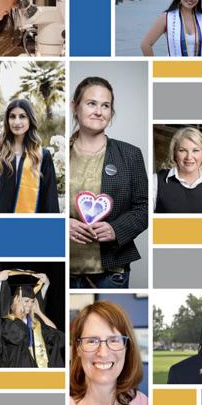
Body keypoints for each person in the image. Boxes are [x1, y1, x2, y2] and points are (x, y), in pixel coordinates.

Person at [69, 77, 148, 289]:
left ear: (111, 113)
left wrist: (116, 229)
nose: (99, 111)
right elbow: (37, 210)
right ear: (74, 107)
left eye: (106, 105)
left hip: (111, 273)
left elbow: (145, 207)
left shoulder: (130, 154)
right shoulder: (56, 154)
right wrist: (60, 225)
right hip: (63, 268)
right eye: (91, 103)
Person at [70, 301, 147, 405]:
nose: (103, 353)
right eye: (92, 341)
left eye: (114, 340)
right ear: (78, 348)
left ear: (127, 347)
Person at [0, 99, 60, 213]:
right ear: (7, 120)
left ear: (30, 120)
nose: (16, 122)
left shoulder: (42, 156)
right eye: (12, 117)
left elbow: (50, 200)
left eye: (22, 116)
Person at [0, 267, 64, 368]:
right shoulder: (8, 322)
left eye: (32, 301)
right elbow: (18, 335)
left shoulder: (34, 322)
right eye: (26, 301)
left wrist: (39, 311)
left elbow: (56, 334)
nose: (29, 305)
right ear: (17, 300)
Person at [151, 126, 202, 213]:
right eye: (182, 150)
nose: (189, 157)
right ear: (174, 153)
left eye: (195, 150)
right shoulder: (156, 181)